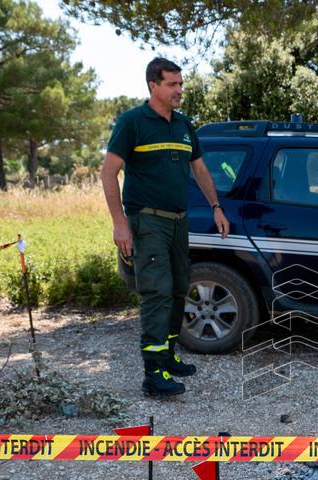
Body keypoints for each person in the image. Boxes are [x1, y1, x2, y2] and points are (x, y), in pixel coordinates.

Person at [101, 57, 231, 397]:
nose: (180, 90)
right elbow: (108, 171)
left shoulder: (184, 125)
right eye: (173, 85)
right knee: (156, 293)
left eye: (180, 84)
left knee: (177, 289)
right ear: (153, 86)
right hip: (147, 220)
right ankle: (153, 374)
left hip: (178, 221)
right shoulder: (132, 122)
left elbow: (200, 170)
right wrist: (119, 224)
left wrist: (216, 207)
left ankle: (168, 356)